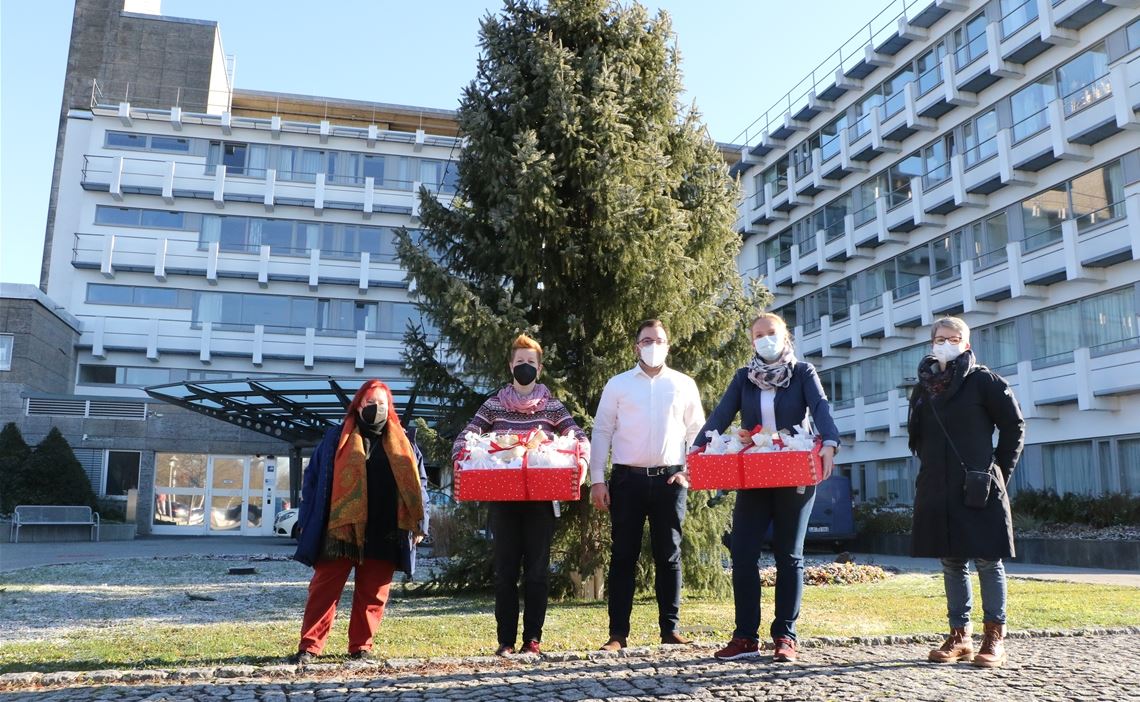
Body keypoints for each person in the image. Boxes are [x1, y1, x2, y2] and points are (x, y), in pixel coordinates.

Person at [696, 312, 839, 663]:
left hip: (794, 471)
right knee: (743, 552)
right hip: (755, 473)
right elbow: (721, 415)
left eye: (771, 333)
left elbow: (820, 408)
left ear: (785, 335)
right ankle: (745, 637)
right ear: (751, 341)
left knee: (789, 555)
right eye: (758, 335)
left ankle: (785, 636)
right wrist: (696, 450)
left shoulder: (803, 372)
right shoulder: (744, 378)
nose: (765, 339)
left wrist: (830, 441)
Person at [451, 333, 590, 657]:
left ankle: (533, 640)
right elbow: (468, 433)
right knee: (504, 574)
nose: (524, 367)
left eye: (530, 363)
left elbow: (577, 434)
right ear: (510, 366)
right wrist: (462, 454)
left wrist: (581, 460)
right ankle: (505, 642)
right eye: (519, 362)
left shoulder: (552, 406)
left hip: (541, 503)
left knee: (538, 574)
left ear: (539, 368)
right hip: (503, 502)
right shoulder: (494, 404)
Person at [909, 316, 1024, 668]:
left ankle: (994, 637)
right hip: (938, 485)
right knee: (952, 560)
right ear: (932, 344)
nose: (946, 343)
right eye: (940, 338)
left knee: (988, 559)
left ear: (966, 344)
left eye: (954, 338)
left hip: (979, 484)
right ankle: (959, 636)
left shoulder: (984, 381)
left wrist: (998, 471)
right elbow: (917, 435)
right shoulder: (923, 387)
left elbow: (1014, 426)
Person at [289, 379, 428, 665]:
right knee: (323, 589)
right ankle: (309, 648)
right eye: (370, 403)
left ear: (390, 408)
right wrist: (306, 518)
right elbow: (312, 481)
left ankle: (361, 648)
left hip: (386, 529)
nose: (375, 408)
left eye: (382, 404)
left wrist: (420, 524)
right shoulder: (335, 438)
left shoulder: (406, 441)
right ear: (358, 405)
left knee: (373, 594)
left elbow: (419, 484)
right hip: (340, 528)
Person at [590, 319, 705, 651]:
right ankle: (617, 635)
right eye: (647, 340)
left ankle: (670, 630)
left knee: (669, 556)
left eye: (660, 340)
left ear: (668, 345)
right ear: (636, 346)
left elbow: (696, 432)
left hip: (671, 480)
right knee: (623, 556)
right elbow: (602, 432)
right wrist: (598, 480)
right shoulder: (618, 385)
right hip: (627, 481)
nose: (654, 345)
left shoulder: (684, 384)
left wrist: (689, 472)